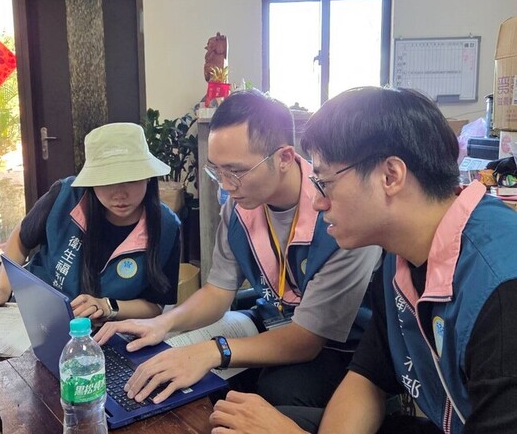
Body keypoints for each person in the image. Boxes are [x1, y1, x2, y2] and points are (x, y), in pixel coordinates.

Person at [209, 86, 517, 434]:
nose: (317, 202)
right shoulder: (400, 255)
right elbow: (368, 377)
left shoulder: (501, 291)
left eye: (324, 183)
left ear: (390, 176)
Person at [95, 90, 382, 409]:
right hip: (274, 319)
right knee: (171, 356)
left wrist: (213, 351)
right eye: (217, 171)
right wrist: (163, 323)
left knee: (276, 387)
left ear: (284, 158)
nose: (225, 185)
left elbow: (307, 340)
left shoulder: (339, 215)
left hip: (338, 343)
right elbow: (218, 291)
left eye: (236, 171)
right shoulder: (241, 206)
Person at [0, 122, 181, 322]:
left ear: (148, 177)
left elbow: (155, 305)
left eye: (131, 179)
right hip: (39, 314)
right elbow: (22, 236)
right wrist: (4, 289)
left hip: (104, 331)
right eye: (106, 181)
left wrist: (107, 306)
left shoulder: (167, 227)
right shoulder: (66, 196)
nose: (119, 194)